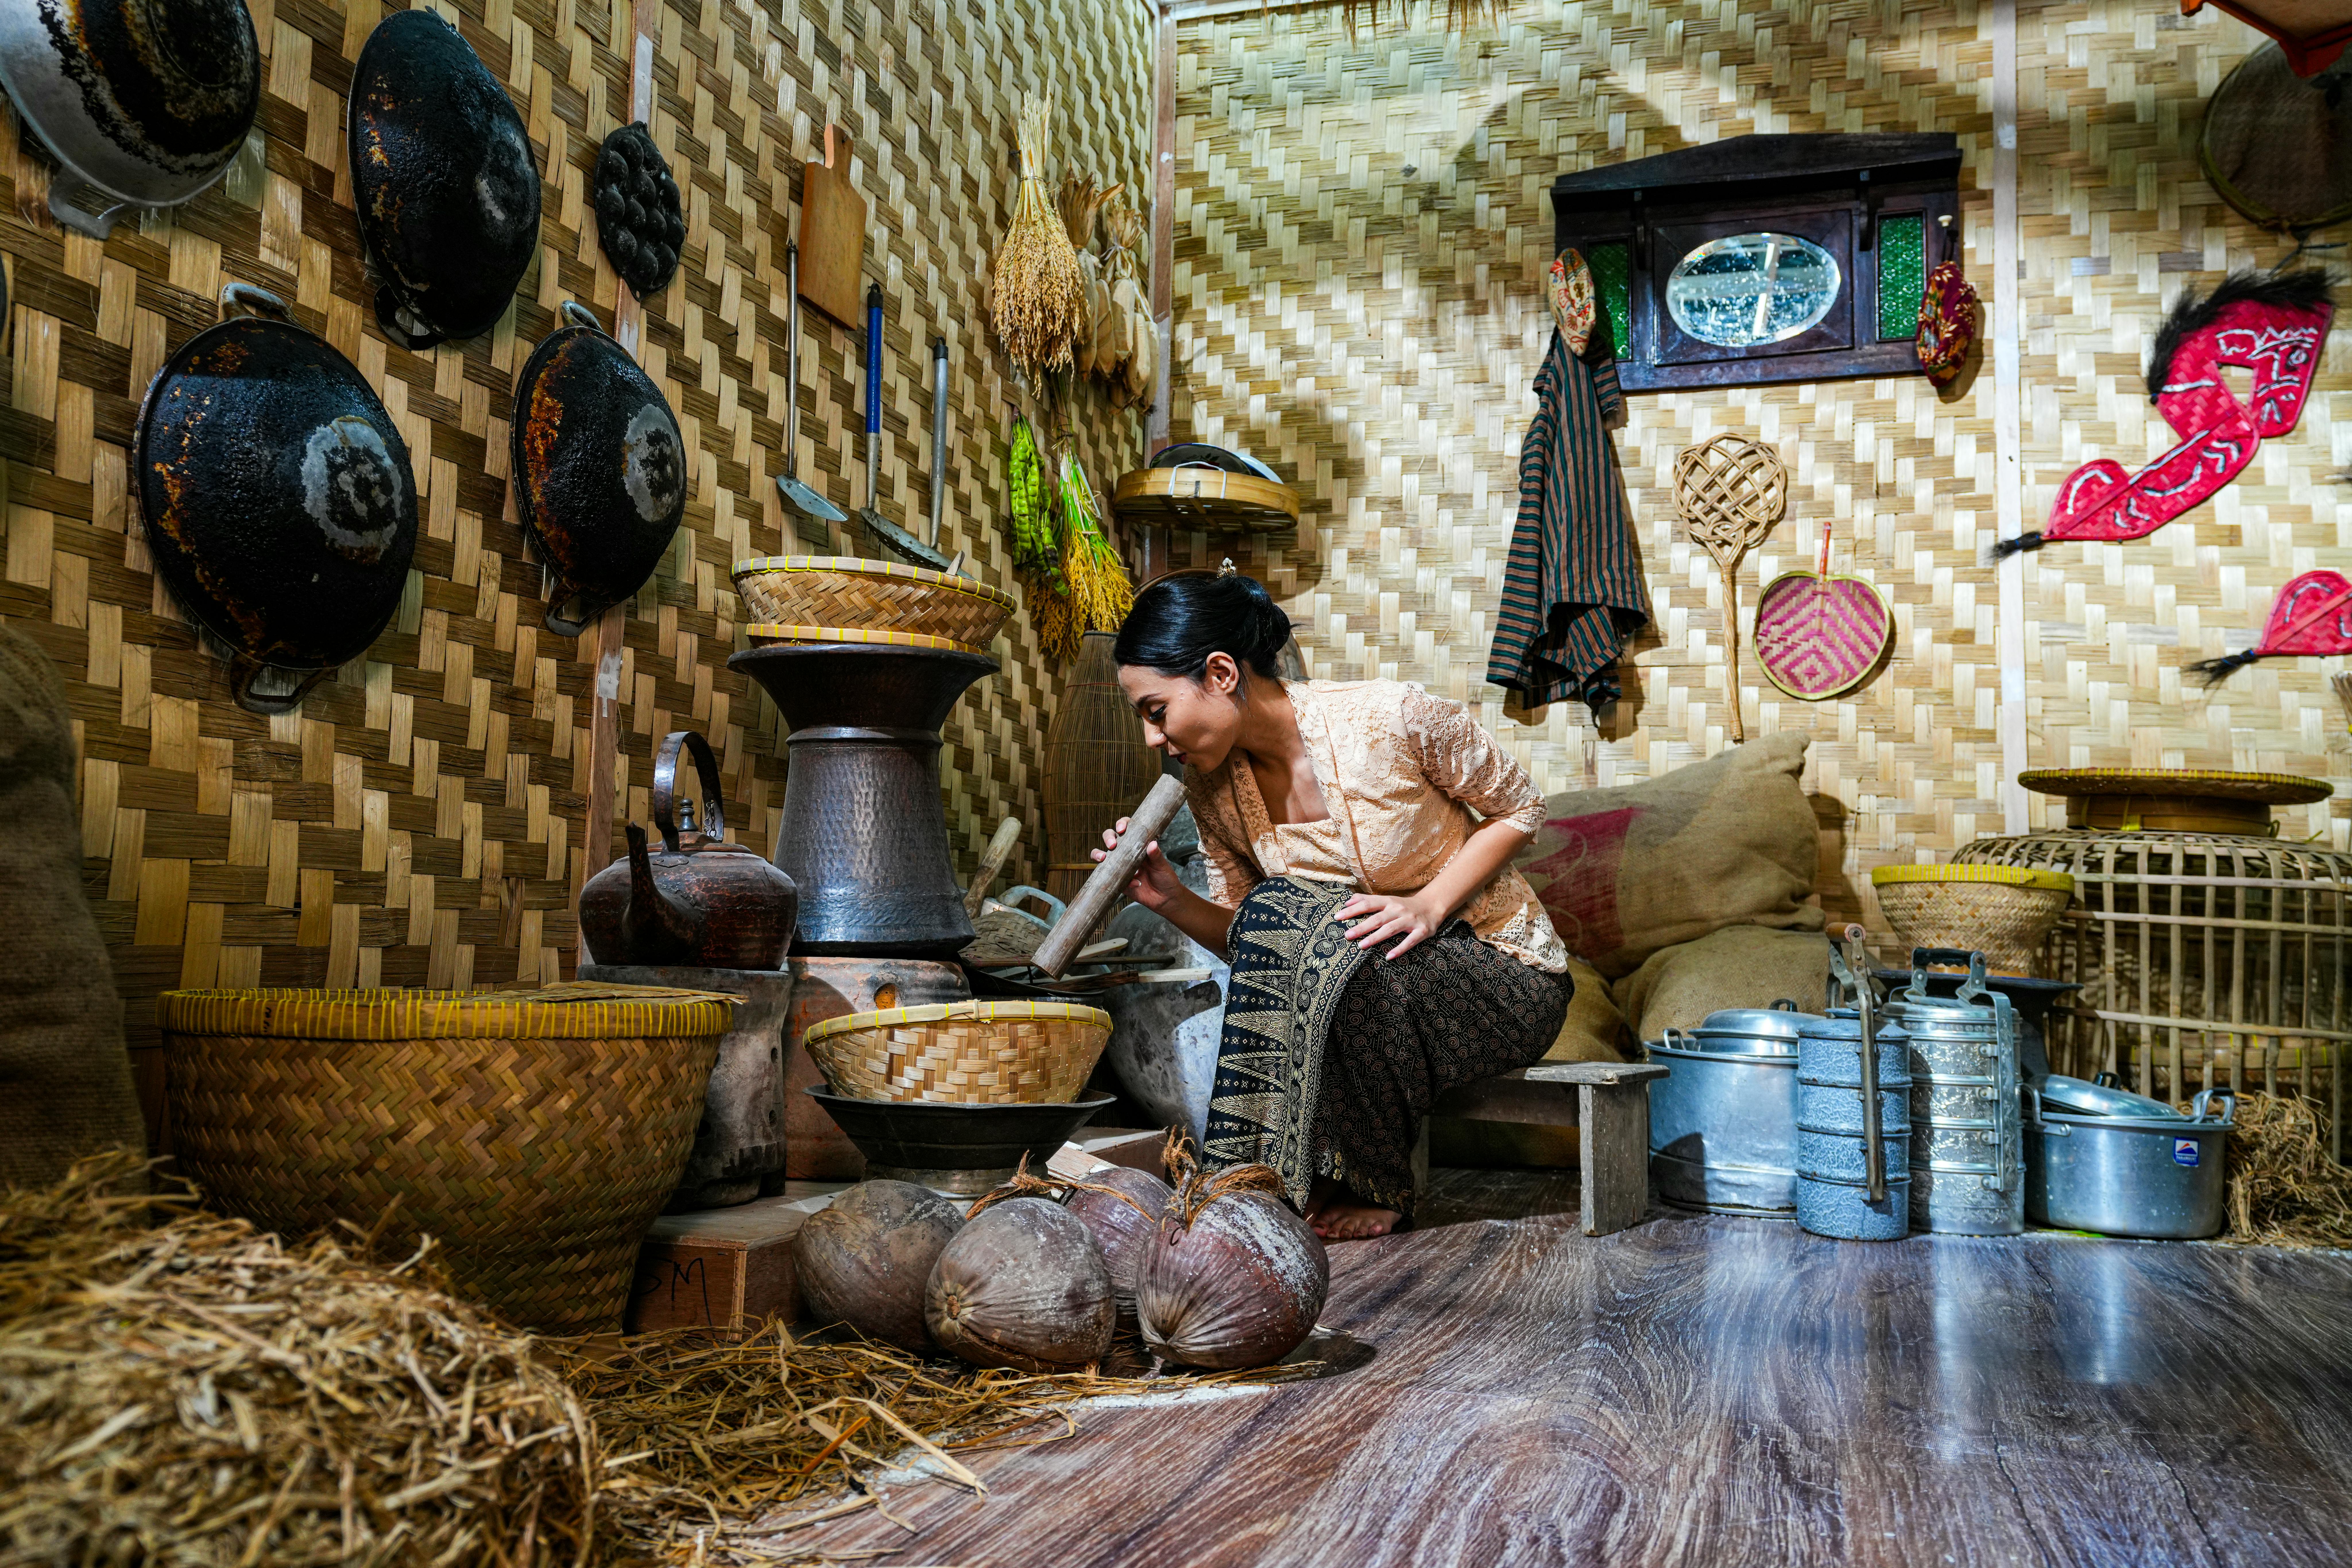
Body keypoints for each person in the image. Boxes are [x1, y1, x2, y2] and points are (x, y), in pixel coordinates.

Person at [1094, 571, 1572, 1240]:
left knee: (1300, 920)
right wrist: (1168, 899)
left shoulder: (1389, 718)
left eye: (1156, 711)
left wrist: (1430, 905)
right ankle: (1259, 1188)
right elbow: (1256, 944)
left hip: (1500, 974)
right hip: (1374, 984)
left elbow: (1522, 806)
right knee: (1284, 920)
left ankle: (1321, 1181)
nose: (1153, 738)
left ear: (1222, 673)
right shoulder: (1212, 789)